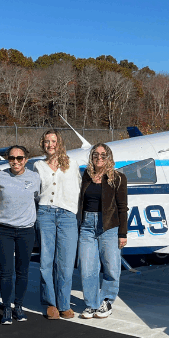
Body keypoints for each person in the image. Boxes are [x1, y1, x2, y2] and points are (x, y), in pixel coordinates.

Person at [77, 143, 128, 319]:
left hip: (109, 227)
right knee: (87, 267)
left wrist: (123, 233)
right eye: (96, 154)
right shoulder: (86, 175)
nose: (99, 157)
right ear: (91, 157)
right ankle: (91, 304)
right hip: (87, 226)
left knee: (111, 267)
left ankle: (106, 301)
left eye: (103, 155)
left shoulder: (118, 178)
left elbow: (122, 207)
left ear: (109, 157)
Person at [34, 130, 81, 319]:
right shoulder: (38, 165)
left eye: (53, 141)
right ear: (42, 144)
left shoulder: (73, 164)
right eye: (46, 141)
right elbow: (35, 191)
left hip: (67, 215)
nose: (50, 144)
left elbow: (80, 187)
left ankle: (64, 302)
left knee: (66, 262)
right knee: (46, 260)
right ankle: (50, 303)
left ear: (59, 143)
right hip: (45, 214)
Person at [0, 146, 41, 325]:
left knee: (23, 272)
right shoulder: (0, 176)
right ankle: (6, 307)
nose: (16, 161)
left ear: (26, 160)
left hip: (26, 231)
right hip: (4, 230)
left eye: (19, 158)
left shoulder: (34, 178)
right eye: (12, 158)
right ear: (7, 159)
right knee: (6, 272)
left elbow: (36, 198)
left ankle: (18, 305)